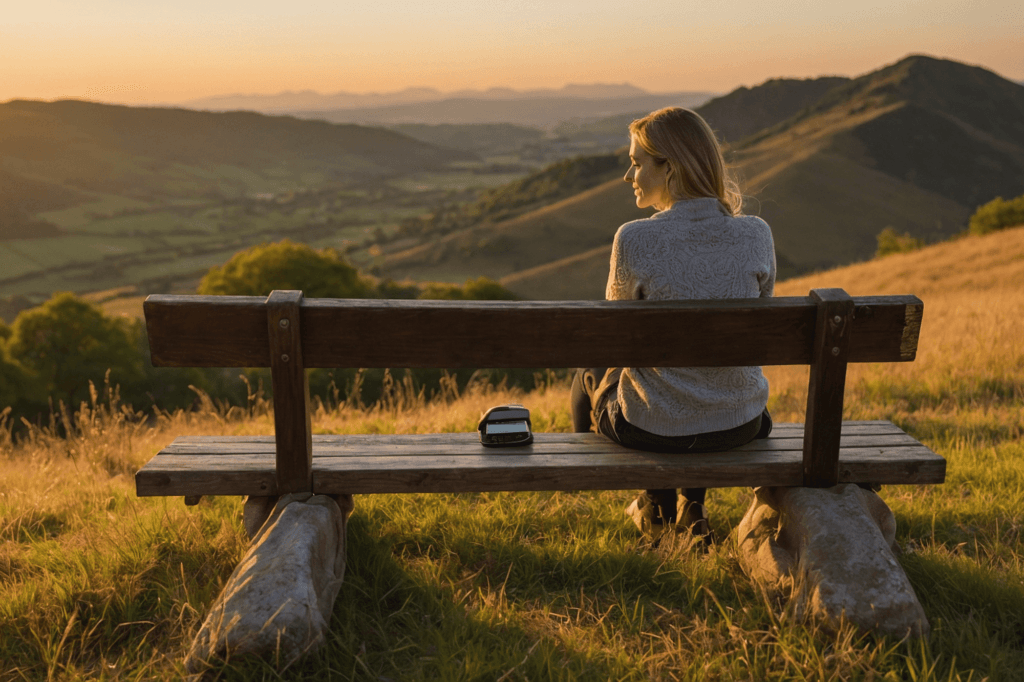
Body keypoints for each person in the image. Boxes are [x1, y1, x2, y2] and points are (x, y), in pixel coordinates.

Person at [570, 107, 776, 548]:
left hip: (651, 431)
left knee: (590, 374)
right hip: (741, 423)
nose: (630, 175)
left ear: (671, 168)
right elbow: (759, 318)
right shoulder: (757, 234)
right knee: (690, 378)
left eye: (638, 162)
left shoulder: (634, 238)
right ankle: (691, 507)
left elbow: (613, 336)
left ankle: (655, 503)